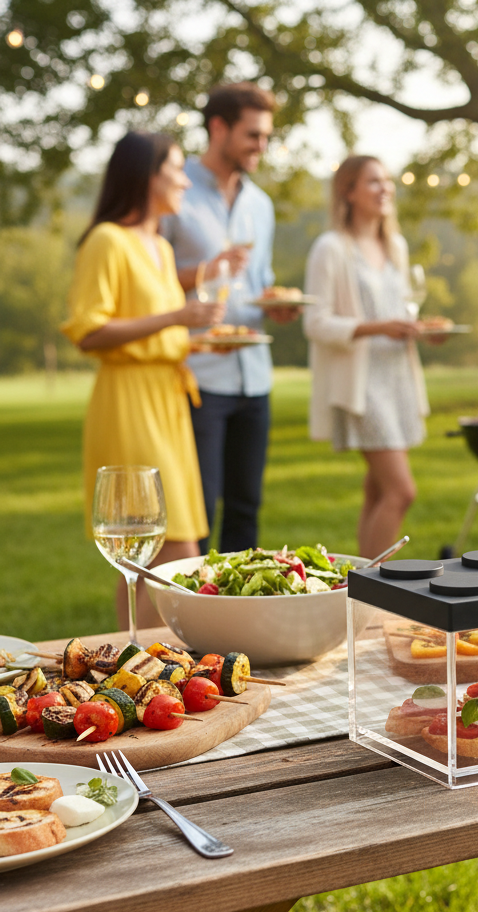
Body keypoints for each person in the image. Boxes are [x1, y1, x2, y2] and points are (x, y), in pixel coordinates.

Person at [61, 132, 225, 628]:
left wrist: (192, 339)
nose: (184, 180)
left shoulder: (157, 245)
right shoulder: (107, 240)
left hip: (166, 396)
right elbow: (89, 330)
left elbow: (152, 327)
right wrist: (178, 316)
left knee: (142, 556)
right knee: (171, 545)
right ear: (145, 177)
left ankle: (137, 660)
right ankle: (163, 663)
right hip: (129, 401)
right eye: (176, 169)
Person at [162, 83, 300, 554]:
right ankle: (189, 617)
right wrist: (208, 270)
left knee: (246, 508)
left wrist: (276, 305)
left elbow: (258, 280)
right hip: (199, 376)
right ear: (218, 127)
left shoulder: (260, 204)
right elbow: (150, 277)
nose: (262, 145)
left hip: (254, 377)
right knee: (197, 510)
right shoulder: (175, 192)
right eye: (253, 135)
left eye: (265, 137)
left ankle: (240, 619)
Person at [303, 155, 436, 559]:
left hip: (397, 378)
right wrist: (378, 327)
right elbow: (316, 322)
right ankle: (377, 590)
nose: (386, 189)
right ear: (348, 191)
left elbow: (401, 312)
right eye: (374, 182)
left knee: (377, 490)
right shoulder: (330, 249)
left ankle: (357, 593)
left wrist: (420, 331)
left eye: (388, 181)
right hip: (363, 386)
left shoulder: (395, 245)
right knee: (401, 491)